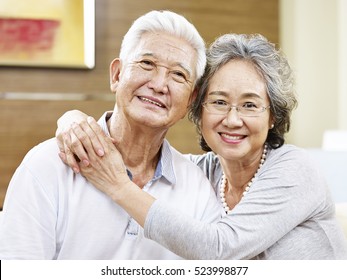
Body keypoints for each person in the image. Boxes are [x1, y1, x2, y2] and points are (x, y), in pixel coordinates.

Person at [55, 33, 347, 259]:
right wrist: (72, 120)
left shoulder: (295, 169)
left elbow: (220, 249)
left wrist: (119, 186)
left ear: (272, 116)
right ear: (198, 108)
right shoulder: (199, 173)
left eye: (249, 105)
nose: (232, 120)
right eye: (219, 102)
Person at [0, 10, 223, 259]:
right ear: (117, 75)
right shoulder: (46, 165)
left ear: (191, 101)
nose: (159, 85)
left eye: (178, 75)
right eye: (147, 64)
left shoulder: (198, 188)